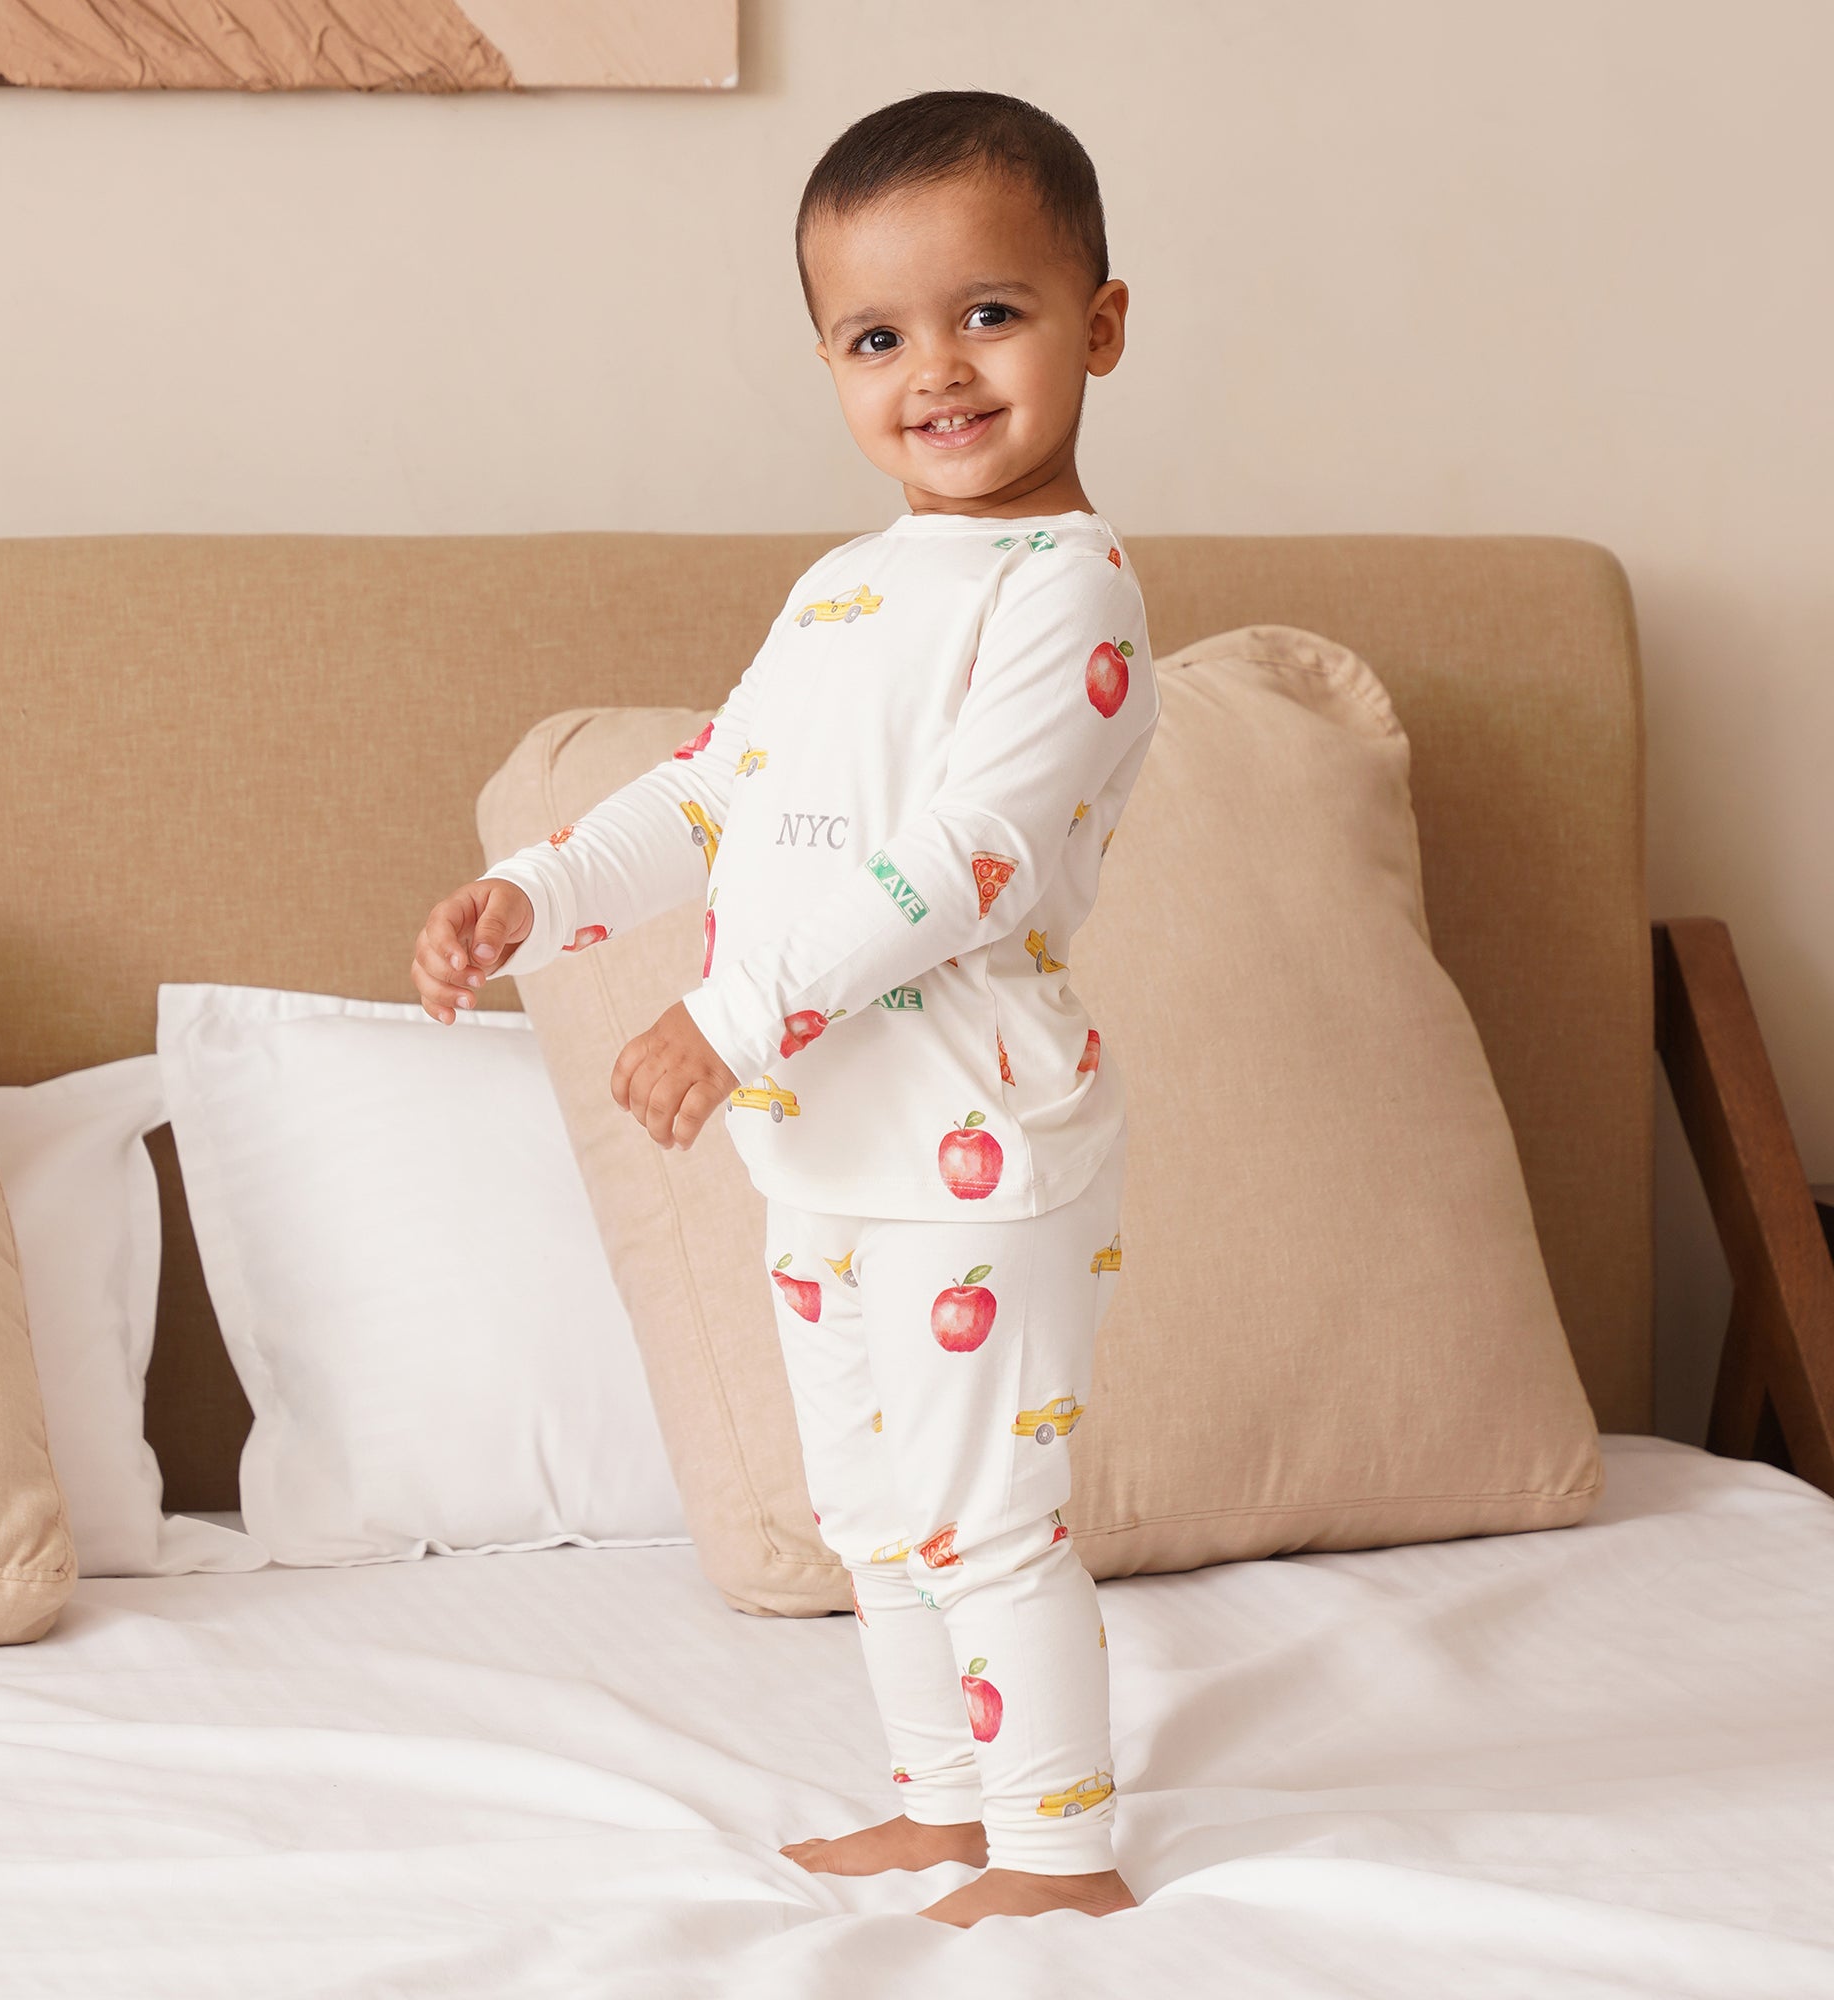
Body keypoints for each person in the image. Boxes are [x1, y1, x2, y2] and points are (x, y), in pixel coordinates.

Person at [411, 90, 1157, 1926]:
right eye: (878, 337)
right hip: (825, 1156)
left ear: (1101, 326)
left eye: (993, 313)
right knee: (871, 1514)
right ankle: (943, 1802)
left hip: (979, 1154)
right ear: (830, 360)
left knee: (987, 1516)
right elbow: (711, 789)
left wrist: (730, 1015)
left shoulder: (1072, 593)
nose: (940, 372)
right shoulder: (842, 591)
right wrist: (542, 896)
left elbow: (974, 855)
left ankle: (1060, 1851)